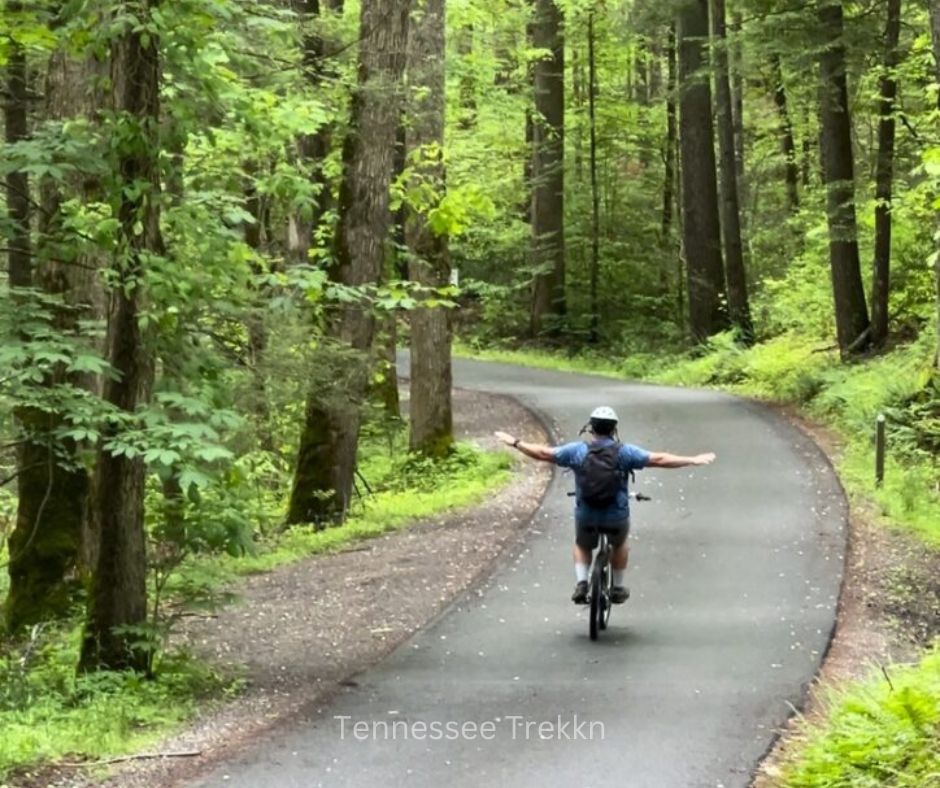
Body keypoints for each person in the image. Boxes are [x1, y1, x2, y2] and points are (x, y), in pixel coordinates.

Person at [495, 406, 716, 605]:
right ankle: (618, 587)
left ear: (591, 427)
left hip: (586, 514)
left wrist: (515, 442)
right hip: (616, 516)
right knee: (620, 545)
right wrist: (691, 459)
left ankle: (582, 583)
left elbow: (543, 453)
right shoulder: (625, 453)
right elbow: (658, 459)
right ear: (614, 429)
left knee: (583, 545)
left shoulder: (576, 451)